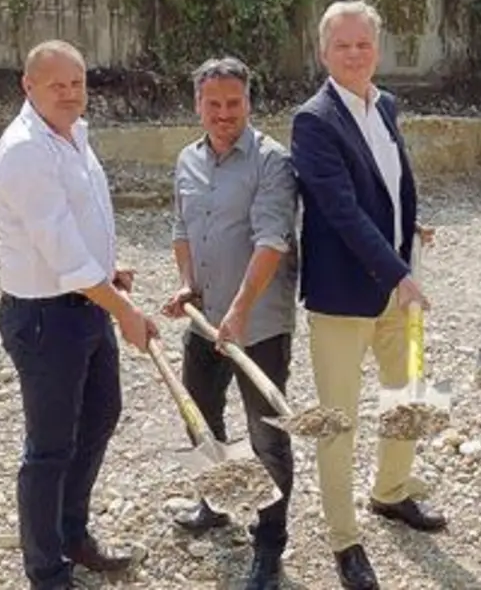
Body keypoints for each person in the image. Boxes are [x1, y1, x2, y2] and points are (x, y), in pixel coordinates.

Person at [0, 39, 160, 590]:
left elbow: (76, 224)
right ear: (27, 86)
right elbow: (56, 247)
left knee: (100, 417)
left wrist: (109, 270)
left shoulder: (73, 135)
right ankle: (46, 570)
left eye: (77, 83)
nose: (69, 93)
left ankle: (71, 534)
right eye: (56, 84)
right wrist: (124, 308)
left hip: (85, 304)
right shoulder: (25, 151)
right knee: (50, 446)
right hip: (44, 318)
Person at [290, 0, 447, 590]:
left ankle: (391, 491)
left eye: (364, 44)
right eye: (343, 46)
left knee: (405, 396)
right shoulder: (313, 120)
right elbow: (342, 211)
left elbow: (389, 188)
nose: (354, 54)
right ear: (323, 52)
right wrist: (398, 271)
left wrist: (411, 232)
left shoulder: (386, 106)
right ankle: (344, 540)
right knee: (338, 420)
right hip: (344, 296)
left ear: (377, 48)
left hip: (395, 283)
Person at [158, 56, 300, 590]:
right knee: (201, 420)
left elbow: (271, 240)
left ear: (249, 103)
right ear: (198, 105)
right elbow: (181, 228)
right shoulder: (187, 161)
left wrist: (239, 311)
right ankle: (213, 504)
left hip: (257, 324)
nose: (223, 114)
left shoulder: (271, 162)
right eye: (213, 104)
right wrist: (188, 285)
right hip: (204, 321)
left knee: (267, 437)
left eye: (233, 103)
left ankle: (269, 544)